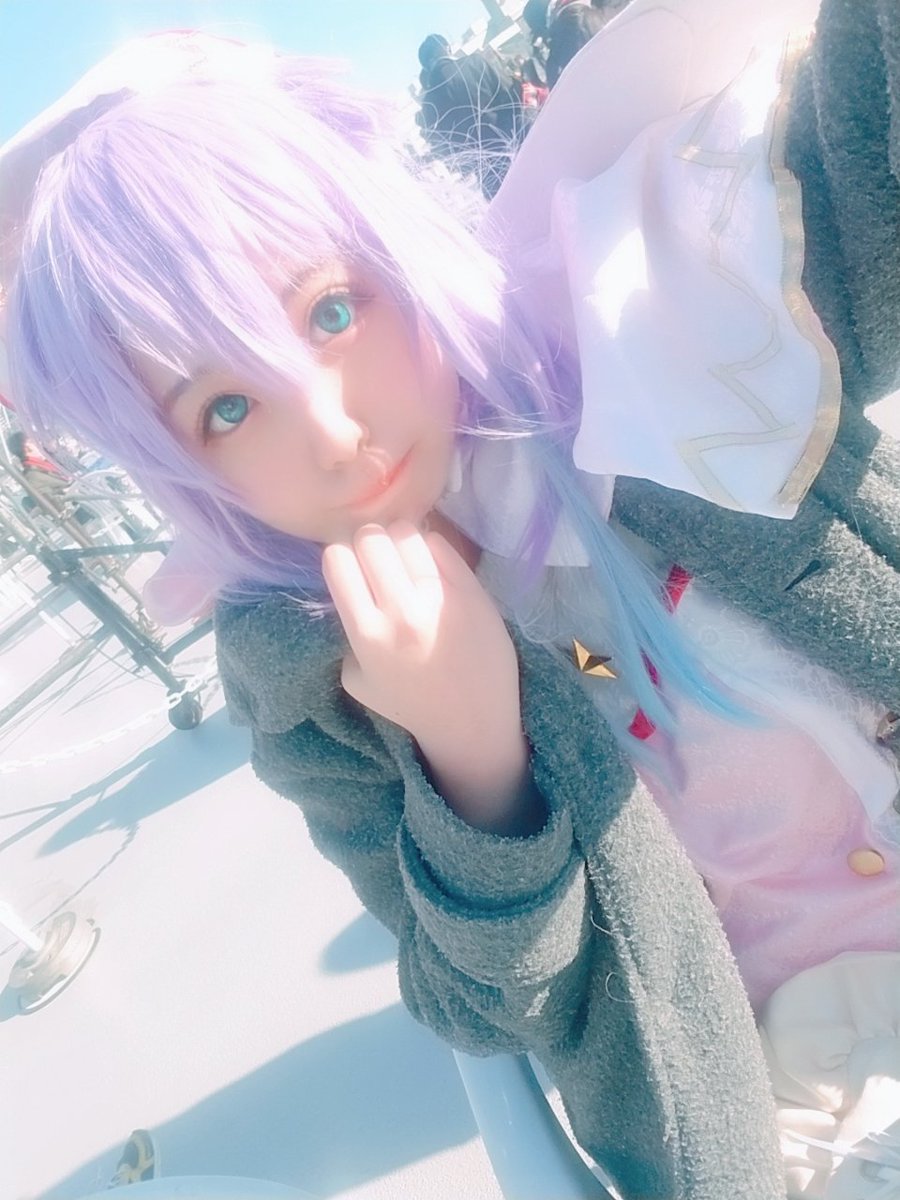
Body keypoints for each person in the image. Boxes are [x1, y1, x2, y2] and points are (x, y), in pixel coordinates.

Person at [1, 3, 899, 1197]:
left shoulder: (638, 329)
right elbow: (487, 1007)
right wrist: (474, 760)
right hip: (805, 1085)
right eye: (226, 409)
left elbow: (866, 149)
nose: (333, 432)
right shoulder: (308, 680)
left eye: (331, 312)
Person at [416, 33, 521, 196]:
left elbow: (445, 150)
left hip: (489, 175)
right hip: (516, 148)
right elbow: (511, 96)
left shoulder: (429, 102)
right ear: (447, 48)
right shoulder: (475, 62)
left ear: (427, 66)